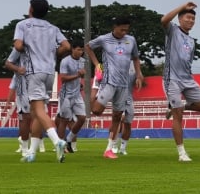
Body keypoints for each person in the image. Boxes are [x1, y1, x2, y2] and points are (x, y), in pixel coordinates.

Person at [14, 0, 71, 163]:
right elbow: (67, 46)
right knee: (38, 111)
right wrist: (53, 53)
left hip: (34, 71)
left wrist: (29, 49)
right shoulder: (52, 27)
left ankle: (57, 141)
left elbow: (18, 46)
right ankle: (31, 152)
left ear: (30, 9)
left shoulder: (23, 25)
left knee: (38, 110)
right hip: (50, 72)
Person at [85, 16, 144, 159]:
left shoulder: (131, 41)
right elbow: (88, 46)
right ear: (114, 27)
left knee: (117, 116)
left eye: (126, 30)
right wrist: (96, 63)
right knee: (97, 111)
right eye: (121, 29)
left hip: (124, 85)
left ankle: (109, 148)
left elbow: (135, 58)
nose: (124, 32)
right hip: (109, 82)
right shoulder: (104, 39)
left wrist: (139, 74)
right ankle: (94, 92)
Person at [161, 2, 200, 162]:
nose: (191, 21)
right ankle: (182, 153)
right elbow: (164, 20)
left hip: (187, 79)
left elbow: (188, 62)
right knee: (178, 116)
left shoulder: (191, 41)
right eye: (188, 17)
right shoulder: (173, 30)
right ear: (180, 18)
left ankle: (180, 106)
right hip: (172, 79)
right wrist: (182, 6)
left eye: (193, 19)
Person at [56, 41, 87, 153]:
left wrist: (80, 82)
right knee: (64, 121)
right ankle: (60, 145)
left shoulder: (83, 61)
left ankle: (68, 140)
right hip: (66, 95)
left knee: (82, 118)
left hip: (77, 94)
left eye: (82, 50)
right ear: (73, 49)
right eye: (78, 49)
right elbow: (63, 78)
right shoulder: (65, 61)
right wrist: (77, 75)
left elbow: (79, 77)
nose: (80, 52)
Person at [4, 49, 33, 156]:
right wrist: (8, 102)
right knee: (25, 119)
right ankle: (24, 147)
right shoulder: (17, 76)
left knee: (34, 119)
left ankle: (32, 146)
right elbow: (12, 88)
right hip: (24, 96)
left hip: (34, 92)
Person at [113, 66, 136, 155]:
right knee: (117, 122)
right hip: (118, 100)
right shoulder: (115, 75)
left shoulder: (131, 74)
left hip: (129, 101)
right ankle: (114, 145)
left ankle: (122, 148)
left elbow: (138, 75)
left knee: (128, 124)